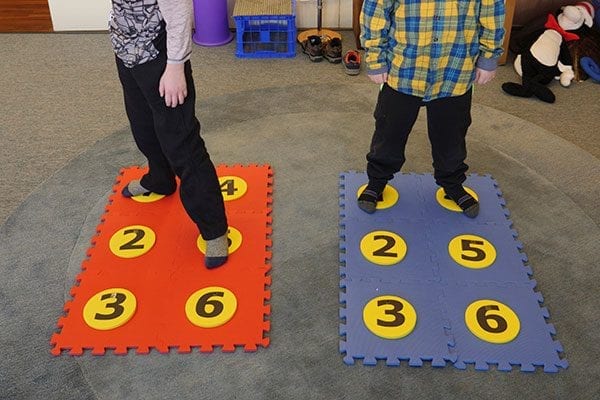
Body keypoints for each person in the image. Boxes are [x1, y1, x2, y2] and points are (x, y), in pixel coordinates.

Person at [358, 0, 505, 217]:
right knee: (389, 129)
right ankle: (377, 180)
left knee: (452, 133)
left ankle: (452, 182)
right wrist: (375, 58)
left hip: (454, 68)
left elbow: (492, 12)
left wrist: (489, 57)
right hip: (404, 68)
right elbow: (375, 12)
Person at [109, 0, 229, 268]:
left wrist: (175, 67)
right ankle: (160, 179)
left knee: (182, 144)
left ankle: (214, 229)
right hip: (127, 51)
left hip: (161, 58)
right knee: (144, 128)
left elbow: (180, 14)